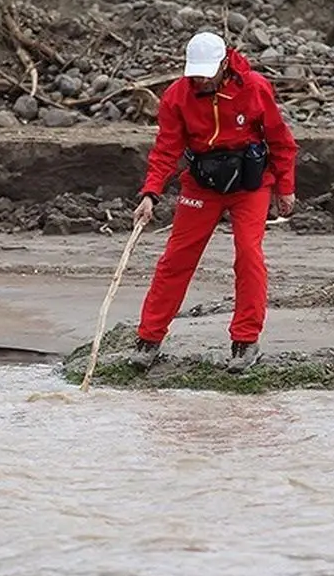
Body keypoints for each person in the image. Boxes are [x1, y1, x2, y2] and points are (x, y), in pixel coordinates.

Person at [127, 30, 298, 374]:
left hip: (249, 185)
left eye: (207, 71)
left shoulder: (255, 88)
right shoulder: (177, 97)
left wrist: (285, 187)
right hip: (202, 186)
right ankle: (149, 339)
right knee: (176, 259)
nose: (201, 79)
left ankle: (245, 342)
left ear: (224, 64)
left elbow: (280, 140)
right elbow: (166, 150)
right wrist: (150, 193)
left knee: (249, 256)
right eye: (196, 73)